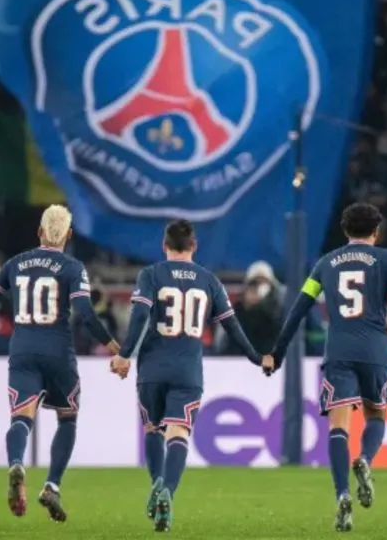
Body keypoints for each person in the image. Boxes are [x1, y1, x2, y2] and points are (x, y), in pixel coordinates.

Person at [272, 202, 387, 532]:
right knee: (375, 416)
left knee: (338, 428)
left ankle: (342, 495)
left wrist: (278, 352)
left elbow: (298, 309)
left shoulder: (325, 264)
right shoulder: (386, 259)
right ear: (376, 232)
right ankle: (365, 460)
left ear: (345, 230)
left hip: (339, 351)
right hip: (374, 351)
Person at [109, 219, 272, 533]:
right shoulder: (209, 280)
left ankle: (157, 483)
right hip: (188, 369)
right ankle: (168, 490)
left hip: (153, 367)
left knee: (152, 429)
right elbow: (231, 325)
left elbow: (140, 316)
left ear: (164, 245)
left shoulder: (151, 274)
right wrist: (255, 356)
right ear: (194, 246)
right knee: (178, 433)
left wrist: (124, 354)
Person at [0, 205, 120, 522]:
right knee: (67, 418)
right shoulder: (72, 267)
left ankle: (16, 463)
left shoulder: (16, 264)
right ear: (67, 235)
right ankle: (52, 484)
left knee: (21, 418)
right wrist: (113, 347)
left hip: (22, 351)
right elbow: (87, 314)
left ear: (39, 232)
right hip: (57, 352)